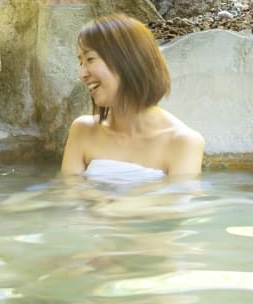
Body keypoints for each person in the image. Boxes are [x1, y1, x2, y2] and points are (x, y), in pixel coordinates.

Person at [61, 15, 204, 182]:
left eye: (90, 59)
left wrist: (103, 202)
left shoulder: (182, 142)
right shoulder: (83, 130)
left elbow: (173, 204)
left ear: (127, 60)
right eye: (81, 63)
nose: (82, 74)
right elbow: (68, 199)